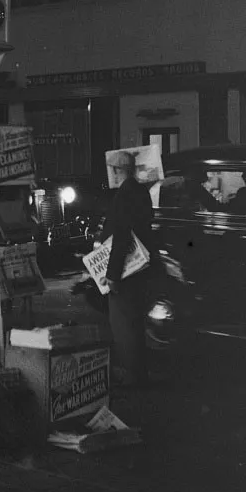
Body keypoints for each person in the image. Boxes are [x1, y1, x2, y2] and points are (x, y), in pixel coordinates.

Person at [102, 152, 159, 387]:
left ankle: (132, 377)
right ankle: (139, 374)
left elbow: (121, 237)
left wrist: (112, 274)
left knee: (123, 325)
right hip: (141, 267)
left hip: (126, 270)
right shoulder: (142, 191)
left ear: (117, 170)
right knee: (135, 323)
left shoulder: (124, 195)